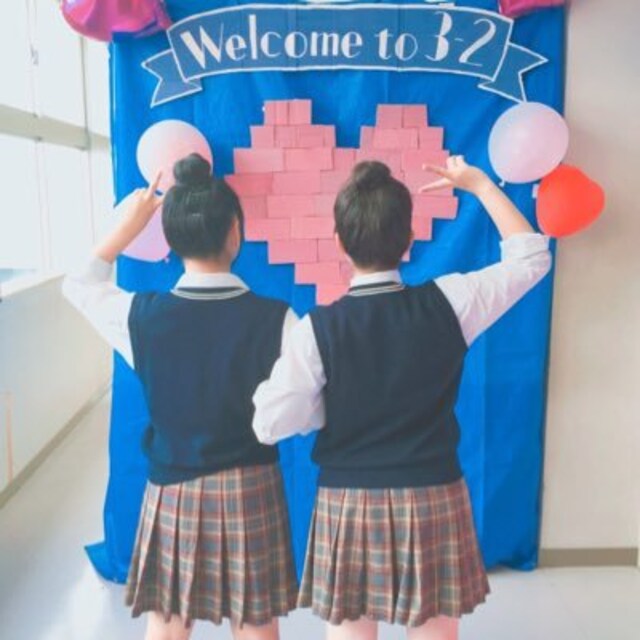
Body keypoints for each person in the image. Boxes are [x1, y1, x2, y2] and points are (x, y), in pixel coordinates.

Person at [252, 156, 552, 640]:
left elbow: (268, 424)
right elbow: (532, 258)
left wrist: (321, 409)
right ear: (409, 239)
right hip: (433, 494)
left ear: (338, 242)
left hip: (349, 502)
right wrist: (478, 185)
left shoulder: (317, 329)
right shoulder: (450, 302)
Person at [63, 154, 298, 640]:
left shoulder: (140, 315)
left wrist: (127, 228)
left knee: (167, 626)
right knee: (256, 626)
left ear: (169, 239)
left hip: (173, 489)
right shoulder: (278, 319)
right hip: (251, 485)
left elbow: (78, 284)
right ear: (235, 232)